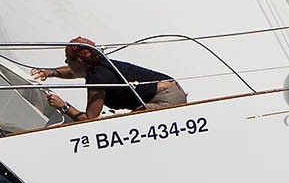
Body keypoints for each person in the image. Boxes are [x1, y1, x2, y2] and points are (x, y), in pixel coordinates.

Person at [32, 36, 187, 121]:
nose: (66, 62)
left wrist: (63, 106)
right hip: (170, 89)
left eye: (68, 58)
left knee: (130, 124)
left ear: (79, 61)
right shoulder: (97, 64)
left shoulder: (98, 78)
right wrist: (51, 72)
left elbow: (90, 119)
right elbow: (73, 73)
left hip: (164, 98)